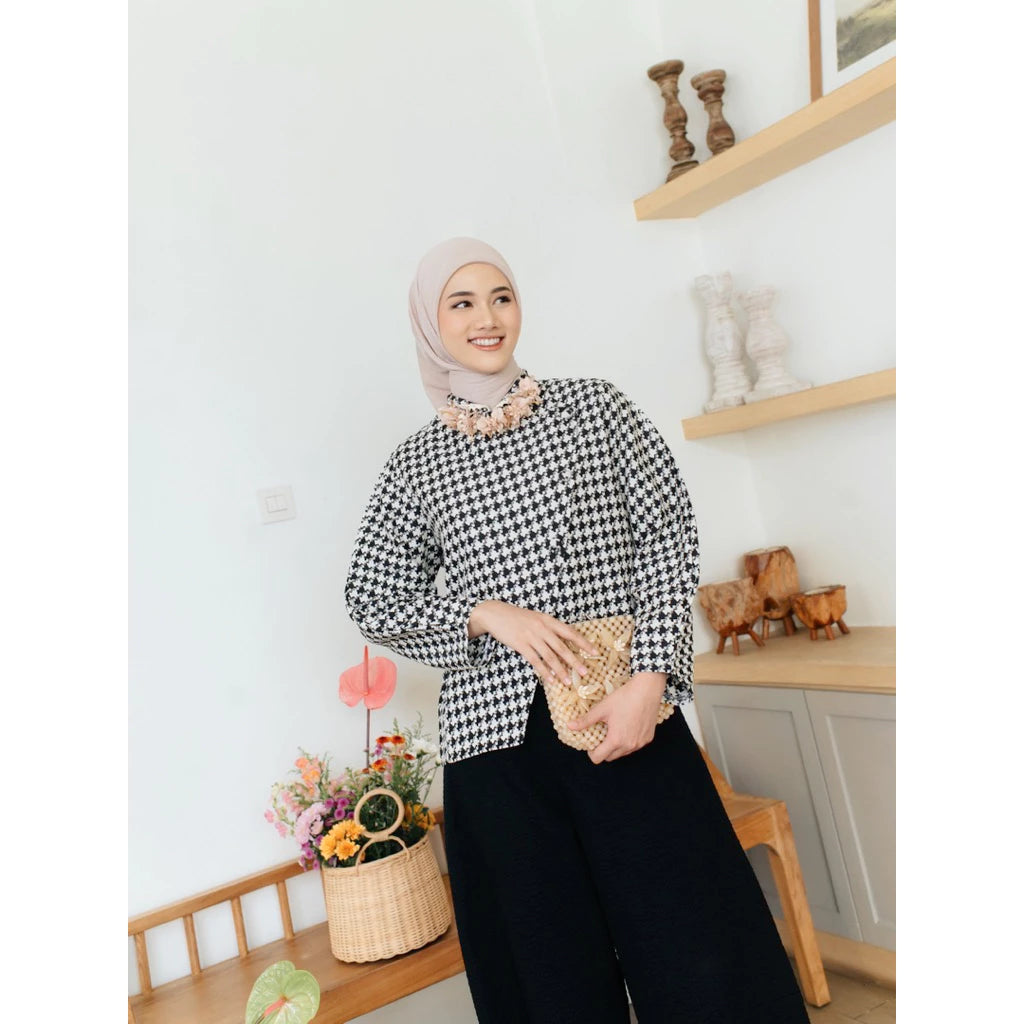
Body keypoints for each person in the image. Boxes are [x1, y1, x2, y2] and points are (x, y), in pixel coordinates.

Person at [344, 237, 810, 1023]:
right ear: (430, 321)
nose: (488, 318)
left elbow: (667, 537)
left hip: (624, 714)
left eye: (501, 297)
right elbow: (372, 596)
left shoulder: (596, 408)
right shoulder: (416, 464)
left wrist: (651, 680)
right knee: (549, 986)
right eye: (462, 303)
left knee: (701, 952)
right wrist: (482, 612)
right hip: (496, 753)